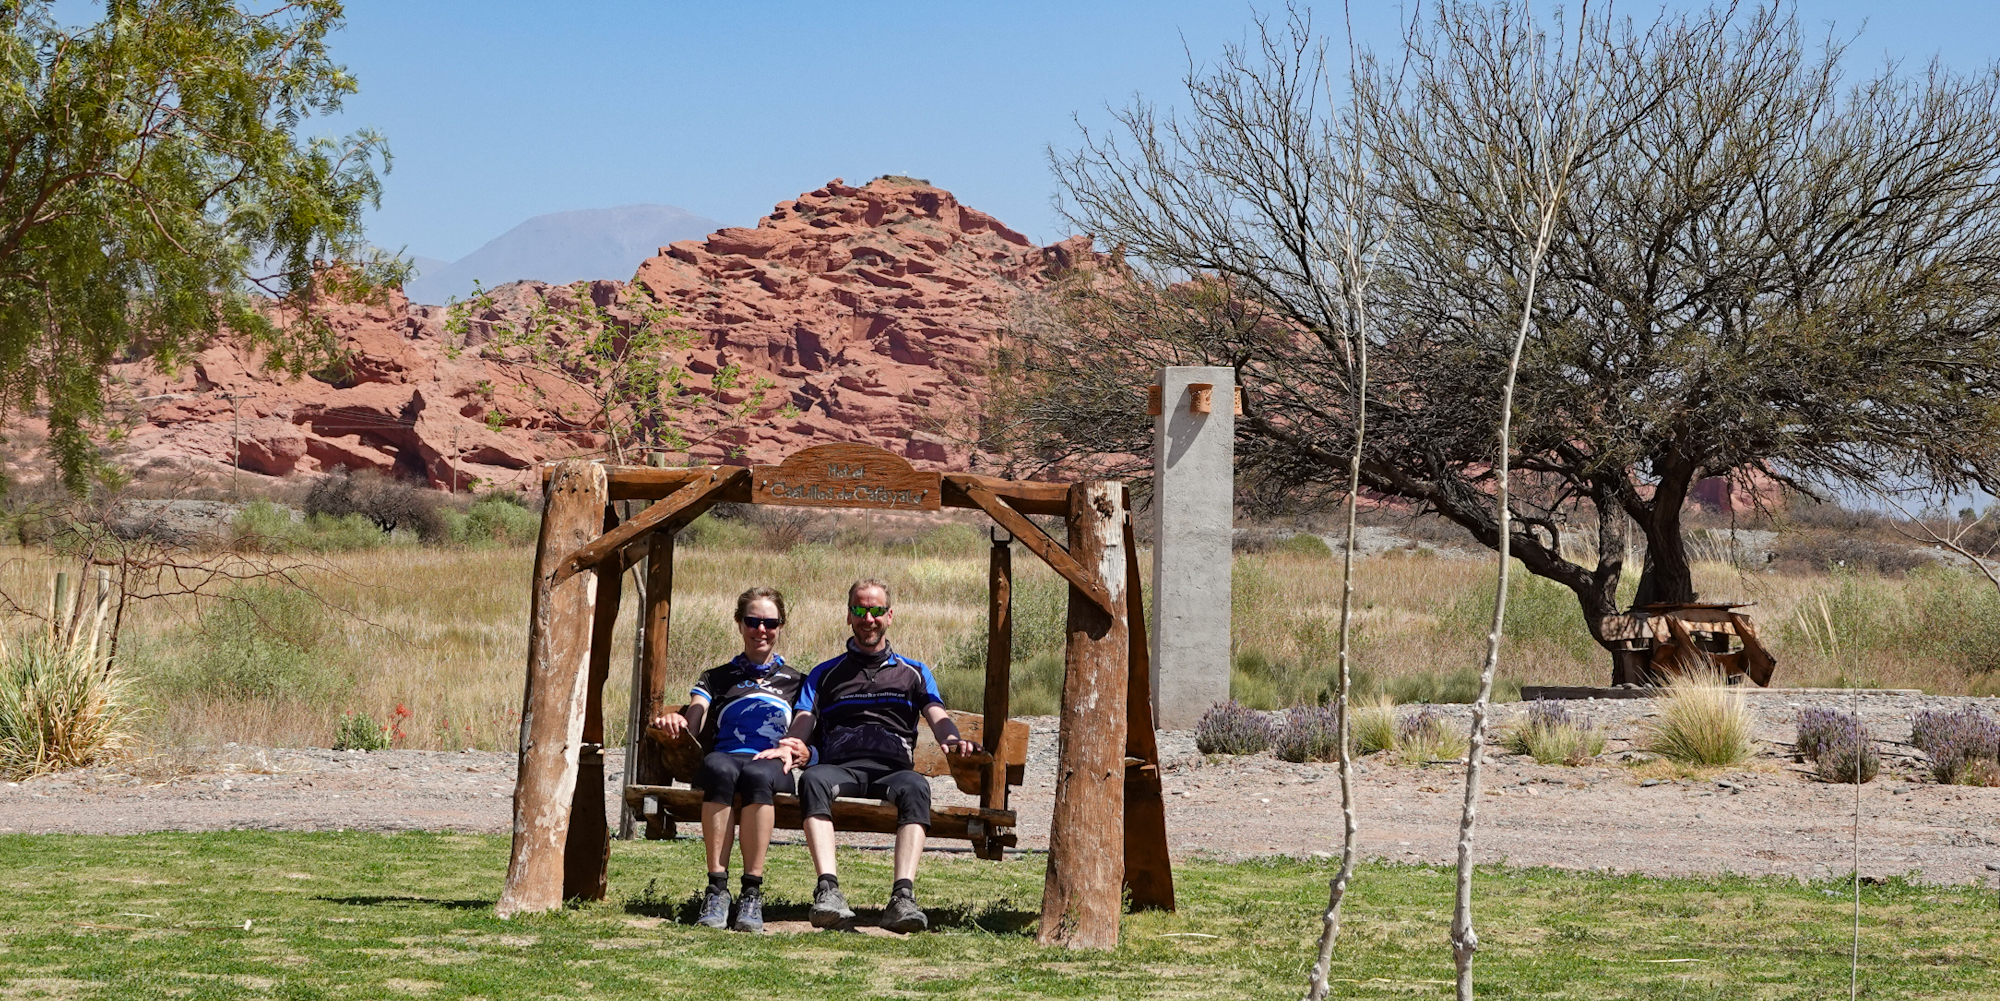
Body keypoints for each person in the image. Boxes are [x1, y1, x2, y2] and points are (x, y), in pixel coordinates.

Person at [756, 578, 978, 933]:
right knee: (812, 780)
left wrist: (953, 739)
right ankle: (827, 891)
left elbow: (937, 714)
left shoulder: (914, 673)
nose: (868, 618)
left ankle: (902, 898)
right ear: (849, 616)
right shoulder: (824, 674)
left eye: (876, 610)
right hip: (839, 769)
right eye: (860, 610)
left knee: (917, 788)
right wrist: (789, 744)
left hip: (893, 772)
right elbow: (803, 720)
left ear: (889, 615)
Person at [651, 586, 803, 933]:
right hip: (726, 757)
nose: (761, 630)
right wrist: (679, 723)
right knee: (717, 768)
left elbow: (806, 730)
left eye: (770, 622)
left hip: (770, 764)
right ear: (739, 624)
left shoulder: (797, 681)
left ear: (780, 626)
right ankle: (717, 890)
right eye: (753, 621)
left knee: (757, 776)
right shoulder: (715, 677)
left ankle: (751, 893)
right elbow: (696, 716)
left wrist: (795, 751)